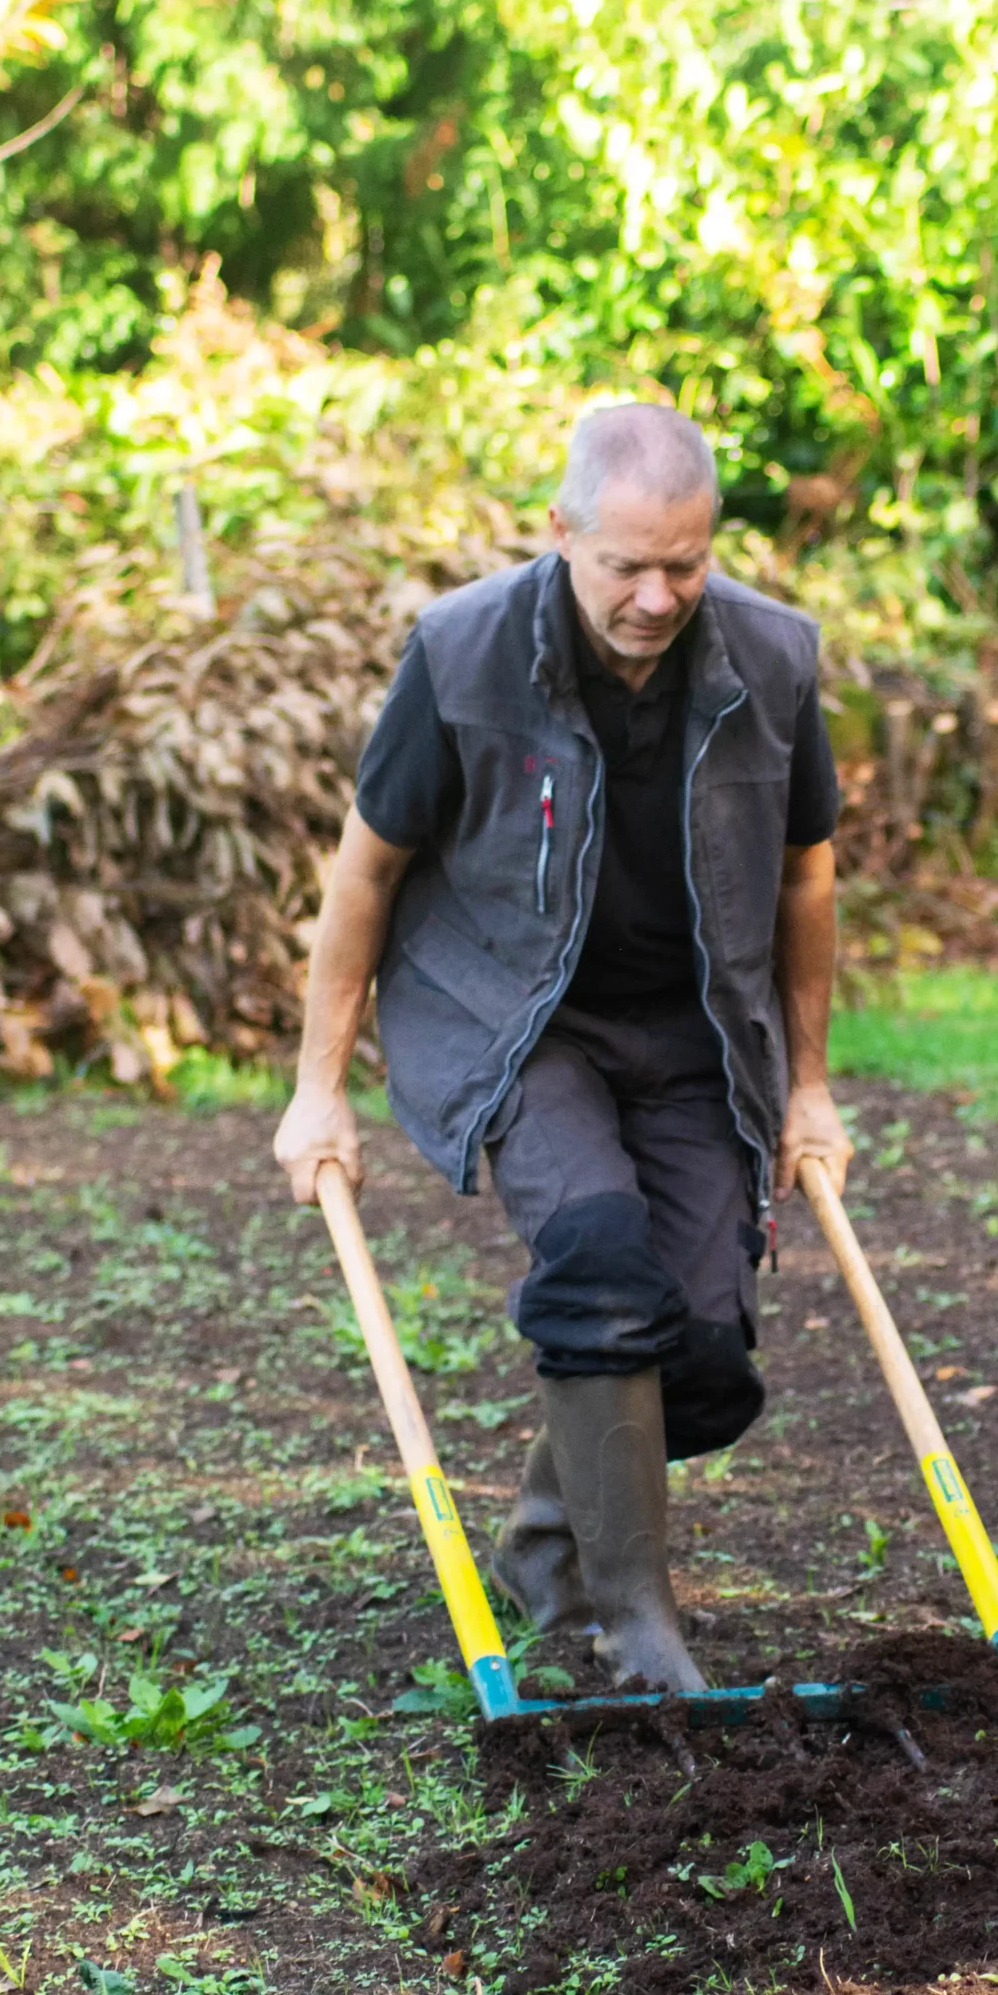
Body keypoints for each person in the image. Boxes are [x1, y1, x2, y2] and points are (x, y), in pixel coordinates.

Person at [274, 403, 853, 1693]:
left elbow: (806, 883)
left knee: (700, 1351)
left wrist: (807, 1088)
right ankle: (630, 1623)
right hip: (509, 1018)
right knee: (597, 1255)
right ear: (562, 534)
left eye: (686, 565)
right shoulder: (465, 652)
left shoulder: (772, 659)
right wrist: (319, 1090)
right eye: (626, 566)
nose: (658, 596)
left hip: (694, 1029)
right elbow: (366, 872)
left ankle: (551, 1544)